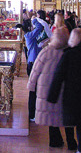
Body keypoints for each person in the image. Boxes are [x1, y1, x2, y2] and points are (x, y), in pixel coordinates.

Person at [29, 18, 72, 148]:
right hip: (67, 89)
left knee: (51, 115)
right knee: (68, 116)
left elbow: (35, 69)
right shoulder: (71, 51)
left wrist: (31, 85)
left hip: (49, 89)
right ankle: (71, 141)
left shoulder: (47, 51)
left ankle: (55, 140)